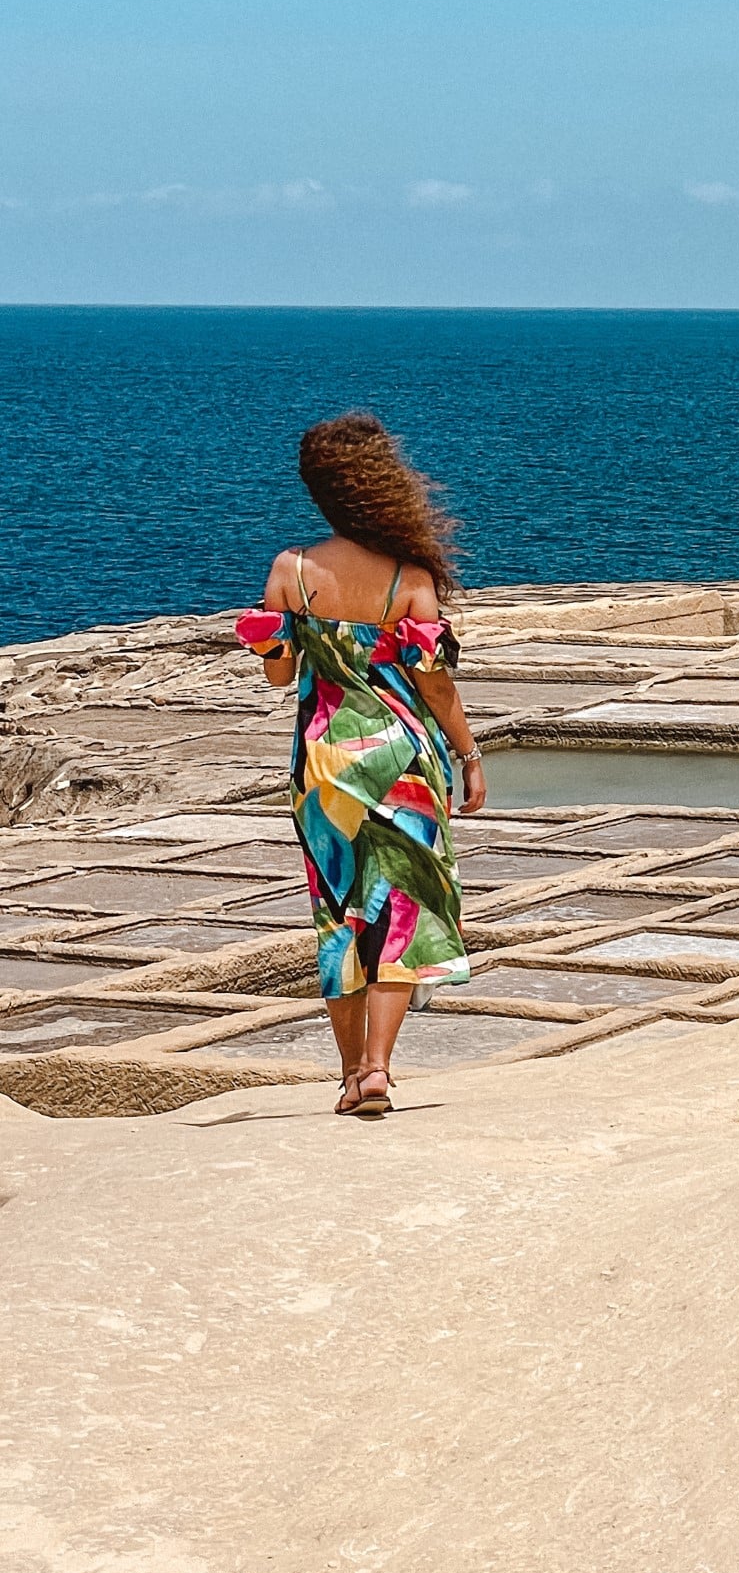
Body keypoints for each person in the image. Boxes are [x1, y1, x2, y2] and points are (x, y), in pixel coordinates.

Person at [235, 412, 486, 1117]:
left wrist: (272, 641)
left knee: (339, 914)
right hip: (402, 765)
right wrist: (468, 754)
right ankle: (378, 1068)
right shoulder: (410, 578)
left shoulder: (291, 570)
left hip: (323, 765)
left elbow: (280, 678)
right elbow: (434, 682)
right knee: (404, 908)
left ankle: (349, 1077)